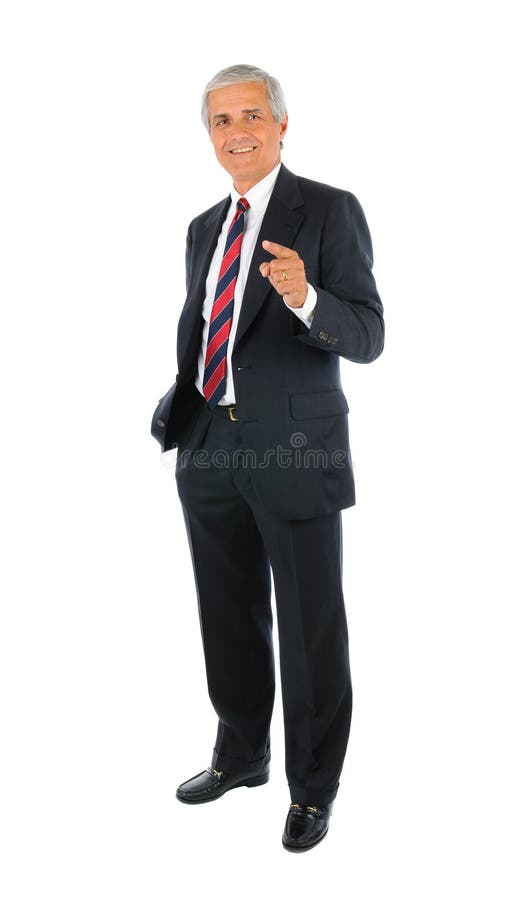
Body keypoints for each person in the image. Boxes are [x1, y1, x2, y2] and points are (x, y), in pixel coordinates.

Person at [151, 63, 384, 852]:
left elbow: (368, 336)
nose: (237, 132)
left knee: (311, 625)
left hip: (295, 448)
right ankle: (240, 751)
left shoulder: (327, 211)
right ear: (210, 135)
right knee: (228, 613)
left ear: (282, 125)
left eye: (251, 115)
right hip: (209, 443)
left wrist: (306, 298)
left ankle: (313, 789)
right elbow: (209, 336)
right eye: (221, 121)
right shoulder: (201, 228)